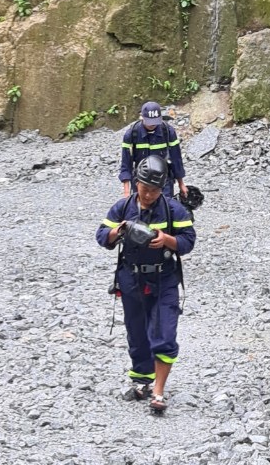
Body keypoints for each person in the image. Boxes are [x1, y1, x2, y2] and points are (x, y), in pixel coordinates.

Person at [97, 154, 196, 413]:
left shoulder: (174, 210)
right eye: (144, 188)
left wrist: (167, 240)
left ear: (162, 187)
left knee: (164, 334)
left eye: (154, 190)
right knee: (137, 334)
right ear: (137, 183)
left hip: (164, 279)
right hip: (131, 279)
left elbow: (188, 241)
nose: (149, 194)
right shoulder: (122, 207)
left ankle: (159, 392)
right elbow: (101, 237)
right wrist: (118, 231)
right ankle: (142, 380)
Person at [119, 101, 189, 201]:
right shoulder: (131, 134)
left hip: (164, 181)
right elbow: (126, 163)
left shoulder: (168, 132)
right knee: (142, 211)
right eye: (149, 122)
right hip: (140, 181)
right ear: (142, 117)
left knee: (165, 209)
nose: (152, 125)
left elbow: (176, 159)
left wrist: (181, 184)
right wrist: (126, 191)